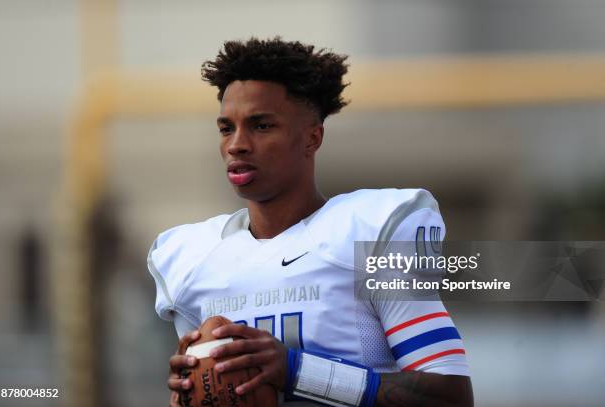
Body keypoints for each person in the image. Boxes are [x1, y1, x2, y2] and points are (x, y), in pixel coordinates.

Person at [147, 37, 473, 407]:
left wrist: (297, 371)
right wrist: (189, 394)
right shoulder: (193, 260)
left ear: (312, 137)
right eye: (226, 128)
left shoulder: (373, 231)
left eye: (261, 125)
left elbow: (449, 397)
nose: (237, 144)